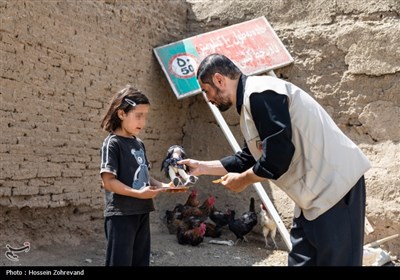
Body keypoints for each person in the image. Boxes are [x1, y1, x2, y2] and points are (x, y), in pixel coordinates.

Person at [179, 53, 371, 266]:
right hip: (312, 198)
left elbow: (278, 156)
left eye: (206, 91)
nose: (208, 99)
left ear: (219, 80)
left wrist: (243, 180)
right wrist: (201, 167)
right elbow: (247, 158)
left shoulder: (262, 93)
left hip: (336, 189)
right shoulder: (250, 104)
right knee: (301, 261)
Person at [99, 85, 168, 266]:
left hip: (142, 210)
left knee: (140, 261)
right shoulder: (112, 144)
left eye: (145, 116)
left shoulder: (139, 144)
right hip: (121, 214)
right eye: (138, 115)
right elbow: (108, 181)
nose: (143, 122)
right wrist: (137, 193)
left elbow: (144, 175)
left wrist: (162, 185)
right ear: (122, 114)